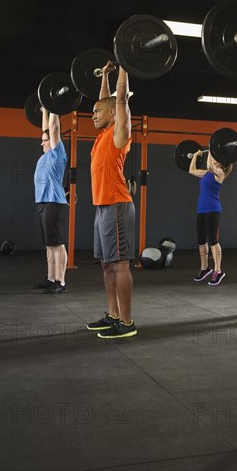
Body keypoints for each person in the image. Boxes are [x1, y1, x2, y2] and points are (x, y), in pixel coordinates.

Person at [86, 61, 137, 339]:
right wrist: (105, 74)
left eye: (96, 112)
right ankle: (113, 315)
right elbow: (106, 100)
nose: (92, 115)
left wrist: (125, 66)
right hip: (102, 206)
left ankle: (127, 322)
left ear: (112, 114)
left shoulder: (119, 133)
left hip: (117, 204)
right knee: (107, 264)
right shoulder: (102, 134)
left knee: (119, 264)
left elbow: (117, 100)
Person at [33, 107, 68, 294]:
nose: (42, 143)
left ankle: (61, 282)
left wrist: (55, 107)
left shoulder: (57, 154)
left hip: (54, 202)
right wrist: (45, 110)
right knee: (49, 244)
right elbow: (46, 129)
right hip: (42, 203)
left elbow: (53, 128)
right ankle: (50, 278)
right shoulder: (45, 156)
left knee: (57, 243)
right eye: (42, 141)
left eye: (45, 141)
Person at [189, 150, 231, 286]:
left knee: (213, 240)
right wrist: (195, 156)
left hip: (213, 209)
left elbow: (210, 165)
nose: (213, 159)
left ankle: (218, 271)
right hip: (201, 209)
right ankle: (204, 268)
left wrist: (211, 149)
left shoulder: (220, 173)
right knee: (201, 240)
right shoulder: (207, 173)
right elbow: (192, 170)